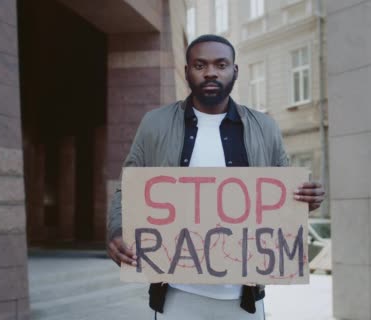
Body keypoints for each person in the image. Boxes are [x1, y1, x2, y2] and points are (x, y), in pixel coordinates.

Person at [107, 34, 325, 319]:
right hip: (176, 294)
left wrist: (306, 200)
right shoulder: (155, 123)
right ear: (186, 72)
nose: (210, 72)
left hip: (244, 296)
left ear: (235, 70)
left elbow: (283, 198)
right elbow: (129, 187)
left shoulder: (265, 127)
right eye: (200, 65)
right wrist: (116, 229)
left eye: (221, 64)